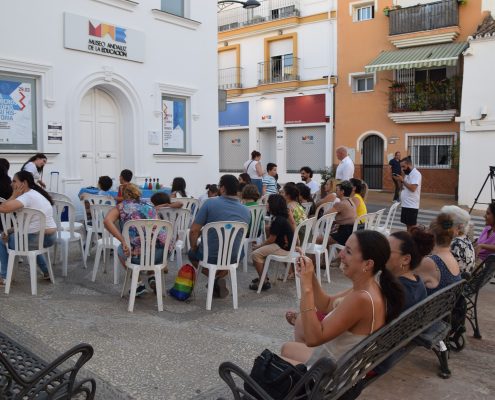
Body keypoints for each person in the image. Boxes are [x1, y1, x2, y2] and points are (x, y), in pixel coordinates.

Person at [280, 230, 404, 365]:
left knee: (264, 367)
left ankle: (300, 378)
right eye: (344, 248)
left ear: (368, 264)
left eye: (348, 252)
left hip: (330, 373)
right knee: (287, 348)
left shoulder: (362, 298)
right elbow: (326, 304)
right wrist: (310, 276)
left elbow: (313, 338)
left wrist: (306, 287)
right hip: (338, 364)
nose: (340, 254)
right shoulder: (368, 287)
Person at [188, 175, 250, 298]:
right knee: (238, 254)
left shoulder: (209, 203)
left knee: (192, 254)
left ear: (222, 189)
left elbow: (194, 231)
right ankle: (218, 279)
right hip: (234, 256)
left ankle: (214, 278)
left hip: (210, 255)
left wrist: (194, 246)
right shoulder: (246, 210)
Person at [104, 184, 167, 296]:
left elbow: (107, 221)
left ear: (124, 195)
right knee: (150, 242)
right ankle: (152, 276)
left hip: (136, 256)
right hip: (159, 254)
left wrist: (123, 240)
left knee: (120, 250)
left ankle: (138, 284)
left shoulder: (121, 207)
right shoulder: (149, 205)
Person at [0, 171, 57, 286]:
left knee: (2, 240)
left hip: (39, 237)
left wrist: (14, 195)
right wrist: (10, 231)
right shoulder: (34, 194)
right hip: (47, 237)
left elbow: (3, 208)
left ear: (24, 183)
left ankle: (5, 277)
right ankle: (46, 271)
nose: (11, 184)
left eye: (14, 181)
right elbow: (26, 224)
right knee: (22, 241)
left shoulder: (27, 197)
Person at [250, 194, 294, 292]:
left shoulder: (278, 220)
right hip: (284, 246)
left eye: (268, 202)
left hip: (282, 248)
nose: (267, 205)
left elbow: (271, 240)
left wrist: (258, 246)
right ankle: (263, 276)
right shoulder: (281, 217)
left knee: (255, 254)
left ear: (273, 205)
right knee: (260, 252)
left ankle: (264, 281)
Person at [416, 214, 461, 296]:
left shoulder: (430, 262)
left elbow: (406, 282)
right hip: (443, 307)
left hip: (427, 308)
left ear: (431, 236)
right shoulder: (452, 258)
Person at [441, 205, 476, 274]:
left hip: (454, 283)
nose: (443, 227)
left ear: (459, 227)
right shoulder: (465, 239)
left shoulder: (455, 244)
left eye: (447, 224)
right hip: (461, 281)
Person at [325, 181, 357, 246]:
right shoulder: (351, 201)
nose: (335, 191)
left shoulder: (340, 204)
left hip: (343, 233)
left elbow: (326, 215)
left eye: (337, 190)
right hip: (351, 231)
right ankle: (327, 255)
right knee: (326, 235)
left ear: (342, 191)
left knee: (318, 240)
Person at [396, 157, 421, 232]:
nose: (402, 169)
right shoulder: (407, 174)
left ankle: (414, 240)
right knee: (408, 226)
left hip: (411, 205)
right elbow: (402, 188)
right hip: (405, 204)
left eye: (403, 166)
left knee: (412, 227)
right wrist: (399, 181)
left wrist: (403, 181)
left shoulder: (416, 174)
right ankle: (409, 240)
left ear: (409, 165)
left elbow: (413, 188)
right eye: (401, 167)